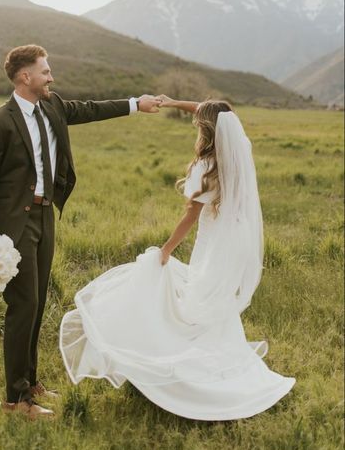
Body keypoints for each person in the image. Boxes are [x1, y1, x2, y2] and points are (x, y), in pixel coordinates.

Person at [59, 97, 296, 420]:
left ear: (205, 130)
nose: (195, 124)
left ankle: (198, 377)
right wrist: (173, 102)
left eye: (198, 123)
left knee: (198, 303)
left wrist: (166, 250)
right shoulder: (238, 151)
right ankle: (222, 360)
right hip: (235, 242)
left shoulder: (204, 167)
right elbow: (215, 112)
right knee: (216, 303)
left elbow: (189, 217)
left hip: (213, 244)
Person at [0, 44, 161, 420]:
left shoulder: (52, 106)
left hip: (44, 217)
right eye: (46, 71)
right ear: (26, 77)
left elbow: (90, 109)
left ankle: (30, 381)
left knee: (36, 302)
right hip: (13, 224)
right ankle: (16, 400)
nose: (51, 77)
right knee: (22, 306)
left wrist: (138, 103)